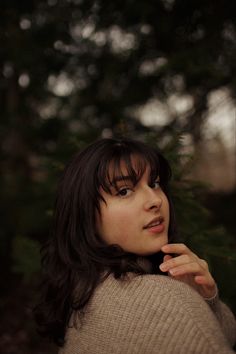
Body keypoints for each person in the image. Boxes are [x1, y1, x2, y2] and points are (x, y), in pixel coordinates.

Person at [34, 137, 236, 354]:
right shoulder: (166, 302)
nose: (155, 200)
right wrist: (190, 303)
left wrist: (206, 300)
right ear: (85, 216)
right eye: (124, 191)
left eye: (154, 184)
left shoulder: (80, 291)